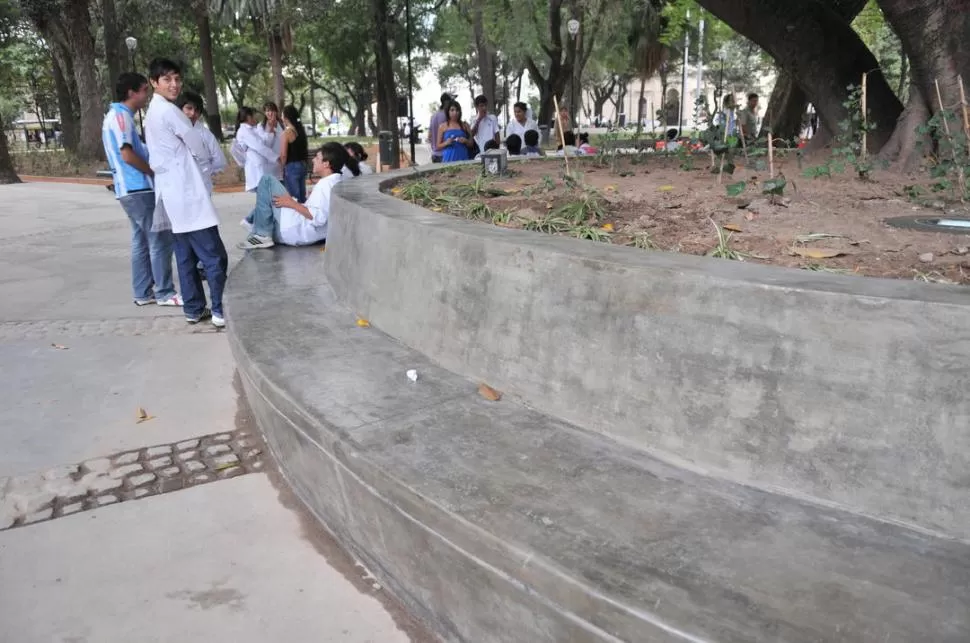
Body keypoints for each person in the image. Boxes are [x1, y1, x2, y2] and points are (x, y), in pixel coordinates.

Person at [144, 58, 228, 328]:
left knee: (186, 257)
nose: (174, 84)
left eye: (177, 79)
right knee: (214, 257)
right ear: (153, 82)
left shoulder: (153, 112)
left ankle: (193, 309)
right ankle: (219, 311)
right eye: (167, 79)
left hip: (172, 195)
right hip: (187, 195)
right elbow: (197, 145)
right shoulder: (170, 112)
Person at [102, 71, 181, 308]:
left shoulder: (114, 116)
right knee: (159, 239)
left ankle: (142, 291)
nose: (147, 95)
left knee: (141, 241)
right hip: (138, 188)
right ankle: (165, 292)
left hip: (128, 190)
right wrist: (150, 171)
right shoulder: (121, 118)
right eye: (144, 90)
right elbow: (127, 154)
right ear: (131, 93)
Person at [236, 143, 347, 249]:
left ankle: (260, 232)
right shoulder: (336, 182)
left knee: (267, 181)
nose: (313, 160)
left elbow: (318, 218)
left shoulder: (326, 185)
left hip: (297, 230)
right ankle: (254, 226)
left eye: (317, 158)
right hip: (302, 233)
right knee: (269, 200)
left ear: (326, 164)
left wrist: (291, 203)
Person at [178, 90, 226, 194]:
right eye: (189, 108)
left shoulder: (206, 134)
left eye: (197, 110)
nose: (192, 113)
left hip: (202, 184)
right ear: (180, 109)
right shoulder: (173, 131)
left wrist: (207, 172)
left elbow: (219, 160)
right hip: (180, 185)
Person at [232, 107, 280, 192]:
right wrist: (276, 158)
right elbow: (259, 146)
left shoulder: (253, 129)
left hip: (262, 166)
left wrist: (271, 131)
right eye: (254, 115)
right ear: (248, 117)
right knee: (265, 198)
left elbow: (265, 142)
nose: (256, 118)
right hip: (256, 167)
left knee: (267, 197)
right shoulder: (244, 131)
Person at [279, 105, 309, 202]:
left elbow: (283, 155)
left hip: (291, 166)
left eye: (282, 116)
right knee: (301, 195)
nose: (281, 118)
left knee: (293, 198)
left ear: (286, 118)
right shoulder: (301, 131)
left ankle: (297, 216)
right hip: (302, 165)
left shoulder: (287, 133)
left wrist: (282, 167)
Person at [260, 101, 284, 179]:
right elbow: (266, 145)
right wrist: (270, 130)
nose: (270, 113)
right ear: (264, 113)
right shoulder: (261, 126)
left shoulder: (282, 124)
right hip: (269, 164)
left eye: (272, 110)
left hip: (282, 163)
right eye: (267, 111)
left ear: (276, 112)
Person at [428, 93, 451, 163]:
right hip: (444, 154)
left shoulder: (433, 116)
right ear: (446, 102)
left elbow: (429, 136)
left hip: (434, 154)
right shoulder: (446, 116)